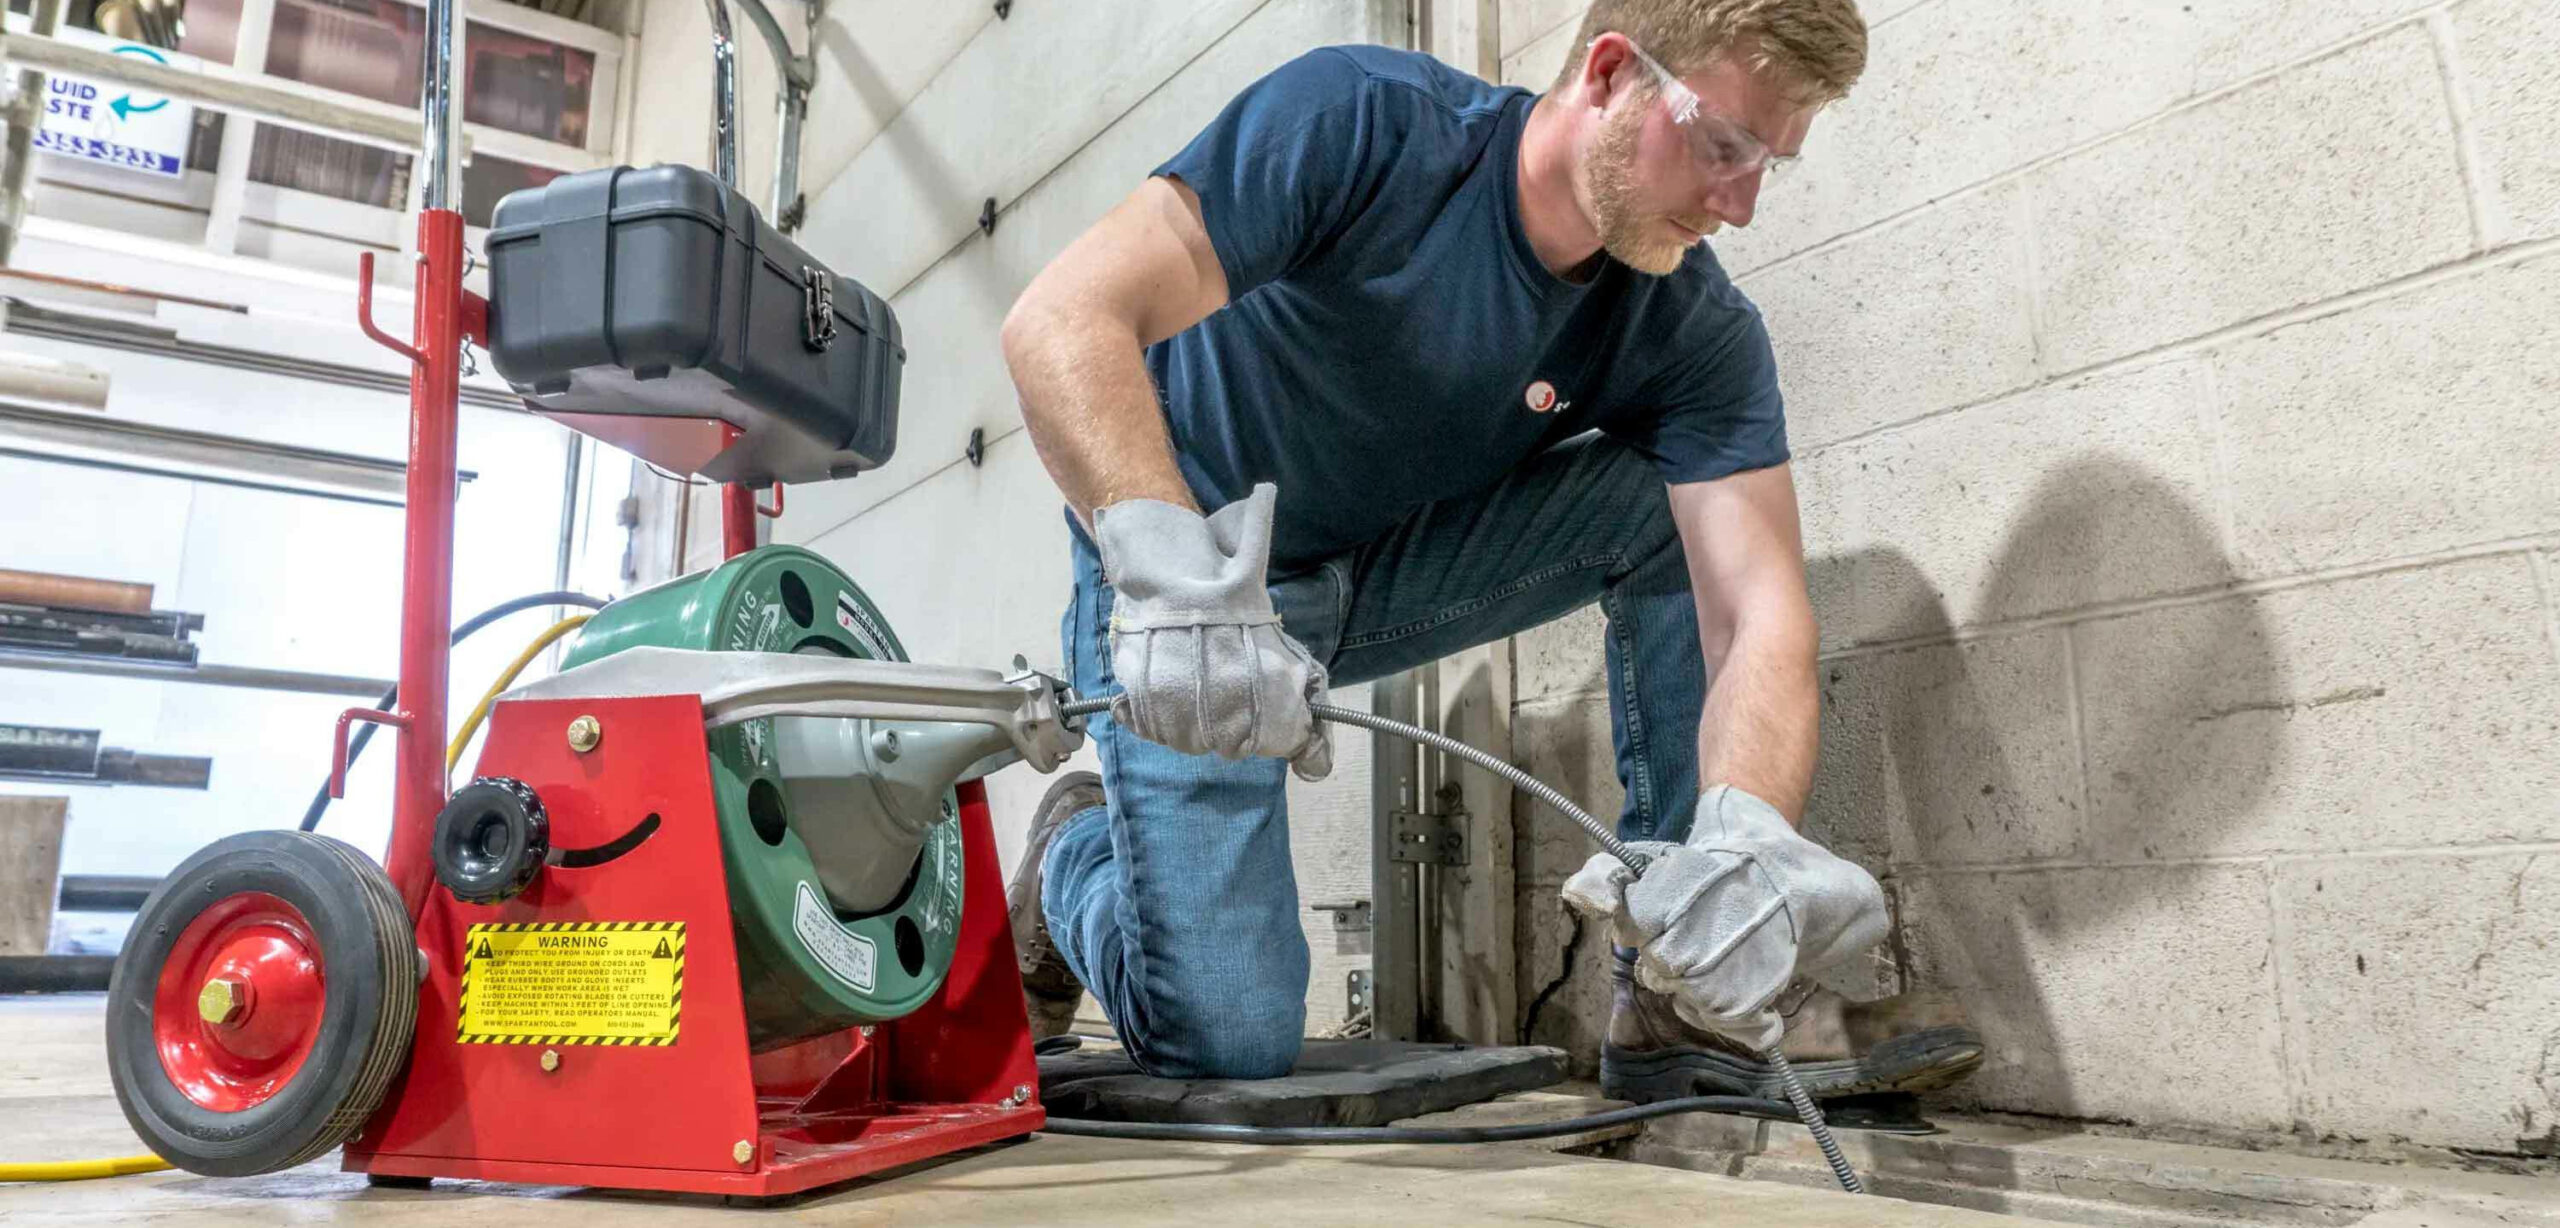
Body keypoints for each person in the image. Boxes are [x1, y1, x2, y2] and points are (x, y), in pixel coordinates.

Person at [997, 0, 1982, 1103]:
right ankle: (1070, 863)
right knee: (1225, 1036)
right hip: (1190, 572)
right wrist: (1170, 577)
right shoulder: (1364, 123)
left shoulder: (1690, 329)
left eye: (1769, 166)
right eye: (1722, 146)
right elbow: (1059, 320)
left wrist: (1745, 834)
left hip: (1382, 566)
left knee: (1668, 501)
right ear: (1611, 73)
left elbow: (1756, 609)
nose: (1741, 206)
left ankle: (1669, 998)